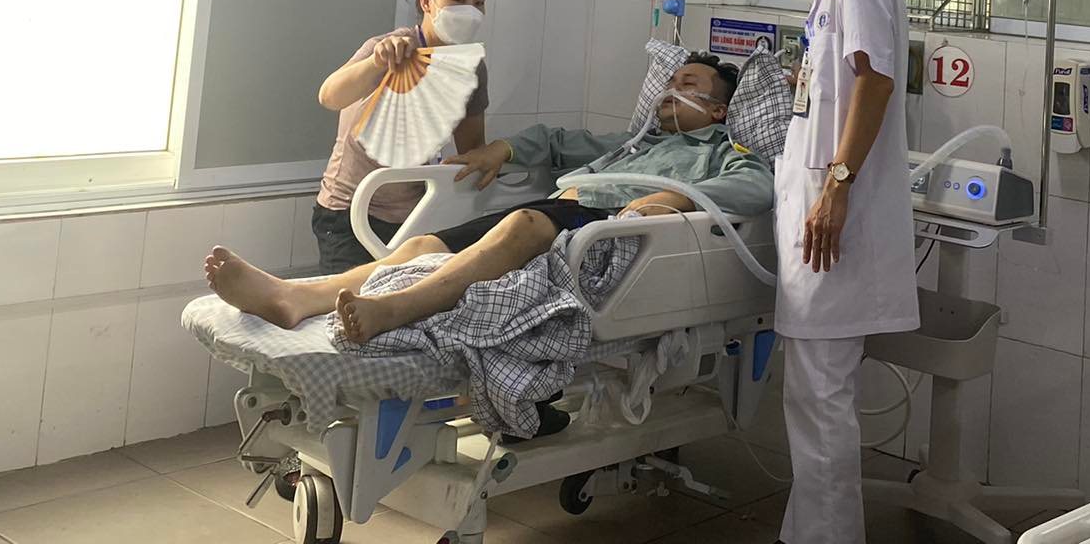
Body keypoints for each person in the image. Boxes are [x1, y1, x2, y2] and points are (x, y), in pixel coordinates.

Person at [206, 55, 773, 341]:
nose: (672, 90)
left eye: (689, 85)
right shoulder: (628, 143)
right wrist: (499, 149)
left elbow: (758, 186)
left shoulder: (722, 151)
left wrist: (677, 198)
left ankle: (394, 309)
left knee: (522, 223)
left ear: (718, 110)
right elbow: (554, 139)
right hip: (560, 213)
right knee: (422, 245)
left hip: (610, 232)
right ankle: (297, 297)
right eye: (671, 81)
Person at [768, 0, 915, 544]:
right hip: (822, 214)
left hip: (835, 221)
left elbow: (876, 80)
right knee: (813, 397)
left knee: (821, 399)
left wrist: (837, 185)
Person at [311, 0, 493, 275]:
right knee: (345, 298)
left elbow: (472, 154)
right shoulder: (392, 49)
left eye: (479, 2)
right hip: (350, 211)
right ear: (427, 2)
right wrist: (376, 63)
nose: (471, 11)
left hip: (414, 216)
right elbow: (330, 96)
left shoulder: (470, 68)